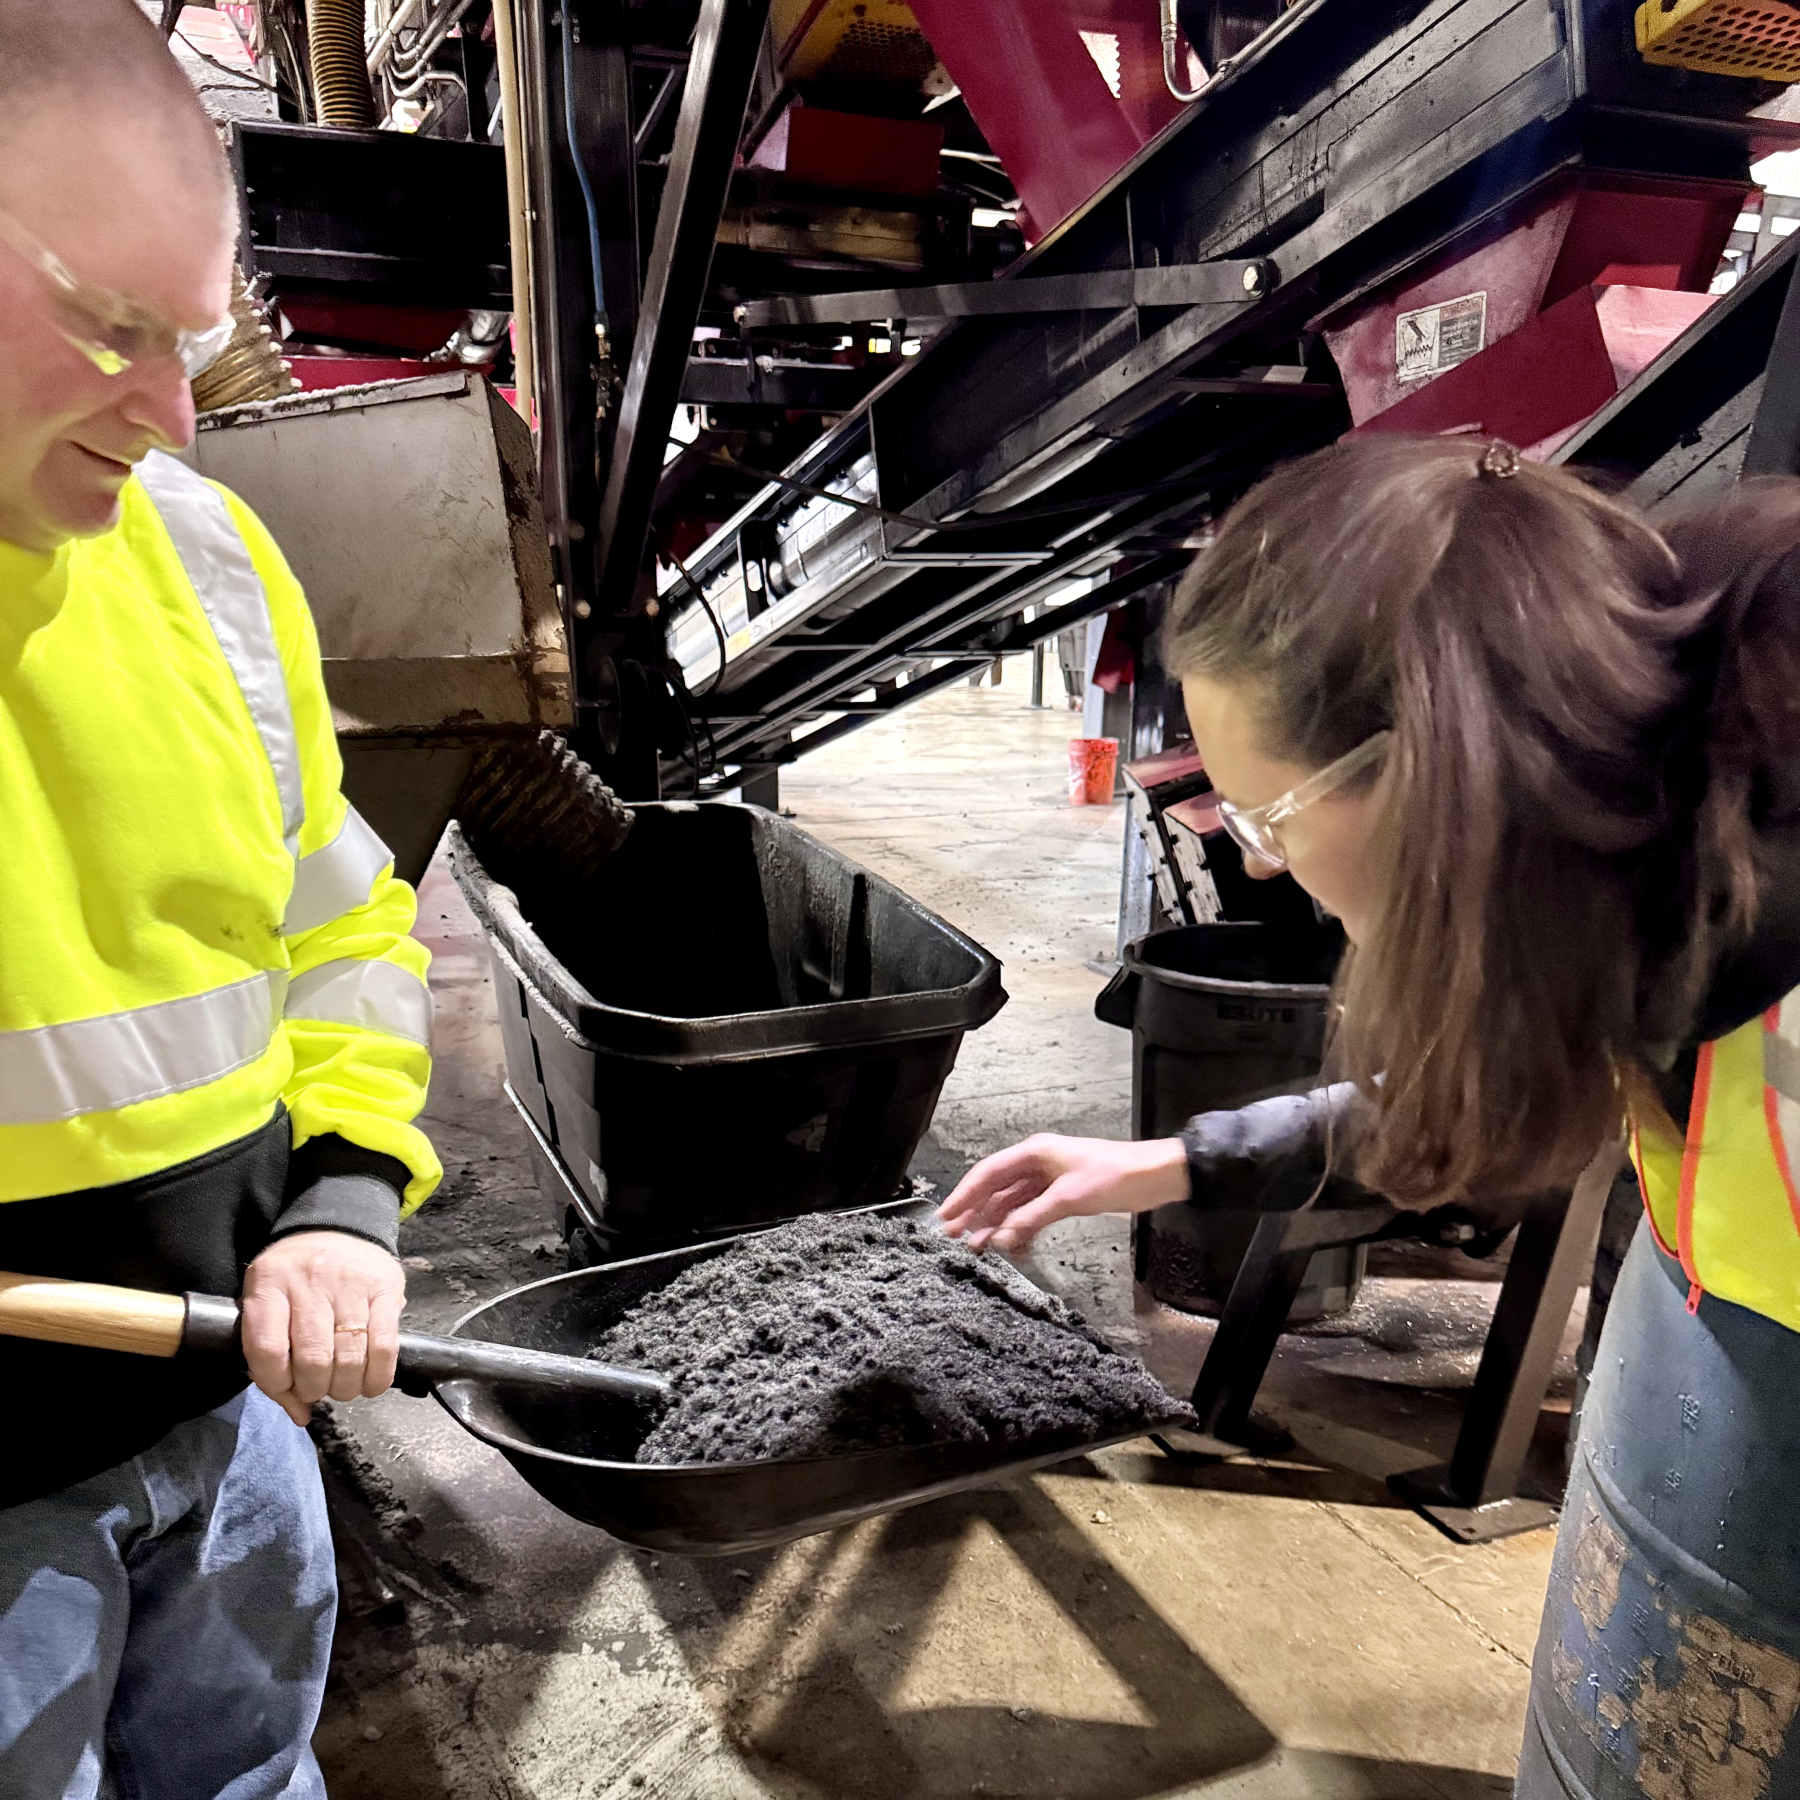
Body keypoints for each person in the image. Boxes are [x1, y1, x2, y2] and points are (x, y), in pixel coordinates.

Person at [939, 433, 1800, 1798]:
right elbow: (1484, 1074)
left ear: (1426, 764)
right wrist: (1171, 1160)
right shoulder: (1636, 829)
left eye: (1267, 808)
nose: (1261, 856)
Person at [0, 4, 439, 1794]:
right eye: (109, 325)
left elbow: (341, 922)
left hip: (227, 1430)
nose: (174, 412)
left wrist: (341, 1199)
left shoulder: (199, 549)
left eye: (187, 338)